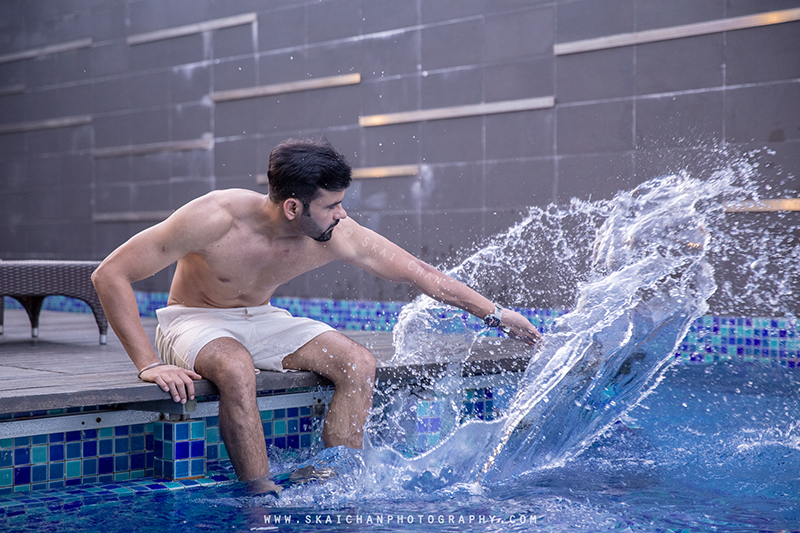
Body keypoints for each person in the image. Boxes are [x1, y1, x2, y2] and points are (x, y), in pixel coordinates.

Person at [92, 138, 541, 494]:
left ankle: (332, 482)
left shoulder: (336, 233)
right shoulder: (214, 218)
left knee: (359, 363)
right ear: (292, 207)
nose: (342, 214)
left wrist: (497, 315)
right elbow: (110, 274)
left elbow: (420, 273)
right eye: (331, 205)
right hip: (194, 319)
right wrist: (149, 363)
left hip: (264, 318)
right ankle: (261, 496)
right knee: (235, 368)